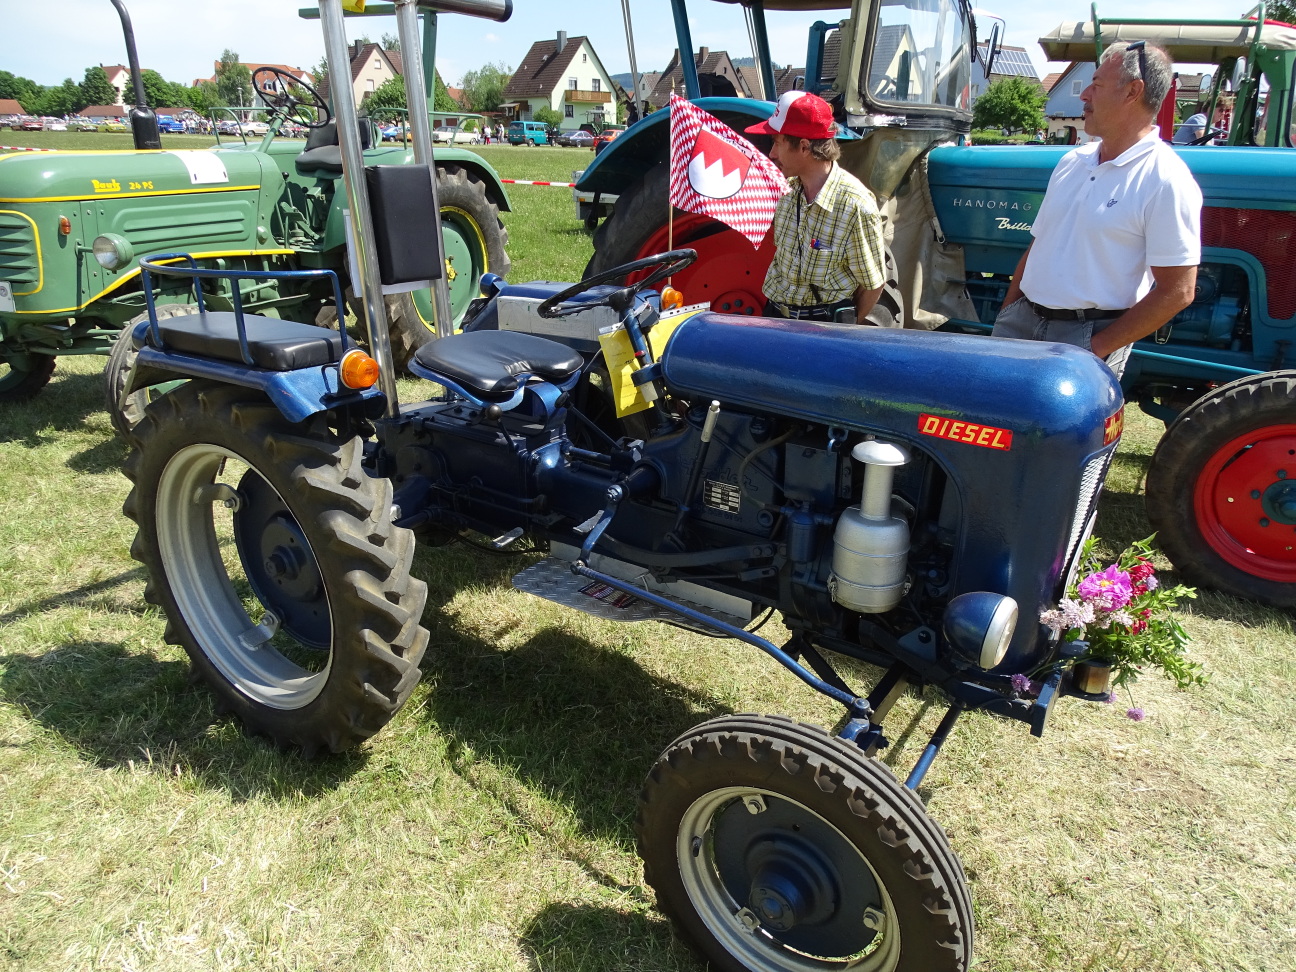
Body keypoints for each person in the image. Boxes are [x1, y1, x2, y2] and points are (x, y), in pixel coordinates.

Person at [992, 41, 1201, 378]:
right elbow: (1039, 245)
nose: (1084, 94)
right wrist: (1009, 313)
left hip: (1086, 337)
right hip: (1020, 324)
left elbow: (1178, 291)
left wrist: (1095, 349)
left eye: (1097, 84)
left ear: (1133, 91)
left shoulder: (1166, 179)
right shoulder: (1072, 162)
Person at [744, 90, 886, 323]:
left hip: (822, 327)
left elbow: (873, 284)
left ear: (804, 147)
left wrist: (844, 331)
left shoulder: (855, 206)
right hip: (776, 318)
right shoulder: (787, 192)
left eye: (777, 143)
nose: (771, 154)